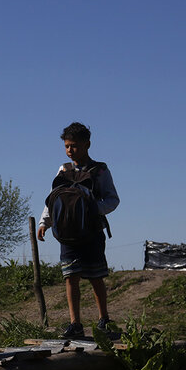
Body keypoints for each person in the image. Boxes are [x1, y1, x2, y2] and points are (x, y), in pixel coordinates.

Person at [38, 122, 120, 339]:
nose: (69, 150)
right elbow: (52, 198)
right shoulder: (63, 170)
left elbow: (113, 199)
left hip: (92, 232)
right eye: (66, 146)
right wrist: (44, 222)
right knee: (70, 277)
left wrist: (94, 209)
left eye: (74, 145)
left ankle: (104, 320)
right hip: (67, 233)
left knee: (95, 276)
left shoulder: (100, 170)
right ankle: (75, 323)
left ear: (87, 144)